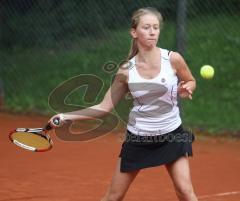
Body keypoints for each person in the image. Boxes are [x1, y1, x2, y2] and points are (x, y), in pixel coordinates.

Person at [49, 7, 198, 201]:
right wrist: (67, 116)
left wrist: (188, 87)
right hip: (139, 138)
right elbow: (104, 107)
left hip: (172, 134)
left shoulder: (173, 59)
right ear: (134, 32)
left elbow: (191, 80)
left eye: (156, 27)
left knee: (185, 192)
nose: (153, 32)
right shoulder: (126, 71)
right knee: (114, 196)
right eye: (146, 27)